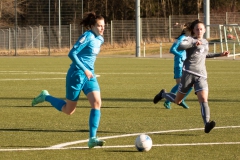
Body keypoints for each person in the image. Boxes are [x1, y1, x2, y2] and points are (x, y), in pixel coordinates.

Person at [31, 11, 106, 148]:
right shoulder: (87, 36)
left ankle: (92, 138)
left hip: (89, 75)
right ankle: (46, 96)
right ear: (92, 26)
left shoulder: (100, 39)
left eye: (103, 26)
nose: (102, 28)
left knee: (96, 102)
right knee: (68, 110)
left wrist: (89, 71)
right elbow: (72, 53)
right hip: (76, 75)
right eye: (100, 26)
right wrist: (84, 69)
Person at [153, 19, 230, 133]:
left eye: (201, 29)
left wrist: (220, 54)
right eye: (197, 29)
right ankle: (163, 94)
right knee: (178, 101)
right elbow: (180, 47)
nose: (199, 30)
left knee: (203, 99)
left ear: (204, 30)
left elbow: (204, 55)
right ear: (193, 30)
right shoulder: (189, 39)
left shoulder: (205, 42)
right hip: (188, 74)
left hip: (201, 75)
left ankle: (207, 124)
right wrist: (193, 43)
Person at [153, 23, 193, 109]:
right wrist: (180, 55)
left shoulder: (190, 39)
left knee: (190, 85)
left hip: (186, 64)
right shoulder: (181, 38)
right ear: (187, 30)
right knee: (180, 85)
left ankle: (178, 100)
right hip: (179, 63)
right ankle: (167, 101)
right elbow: (172, 49)